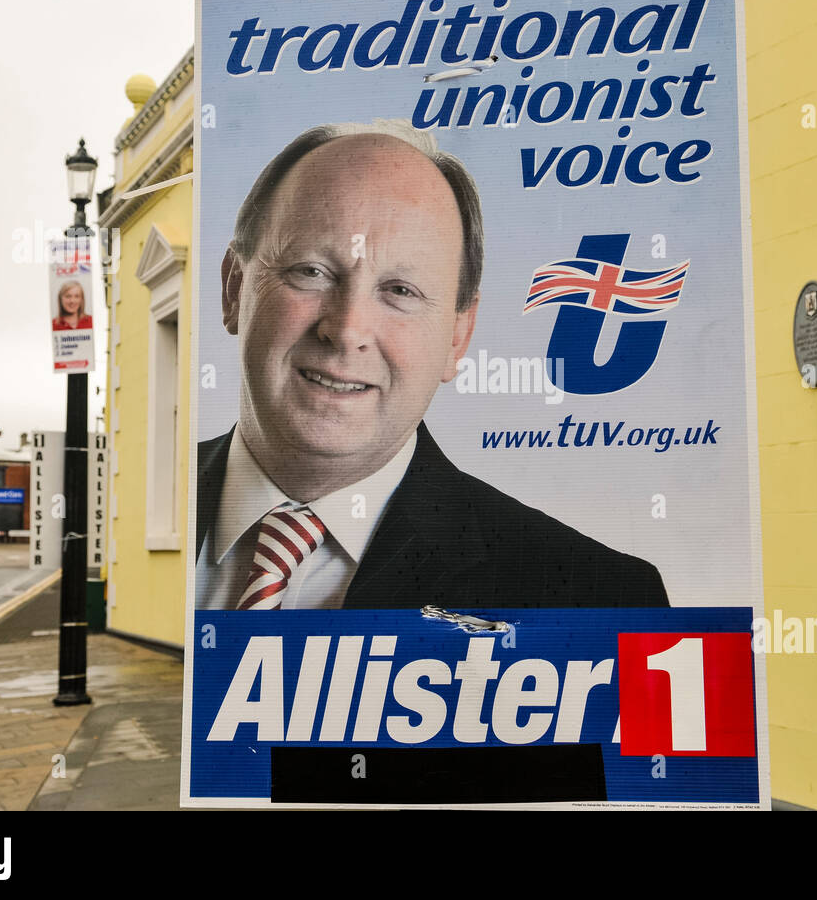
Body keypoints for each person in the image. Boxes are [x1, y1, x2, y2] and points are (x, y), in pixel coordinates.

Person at [195, 119, 668, 611]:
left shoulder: (599, 598)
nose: (348, 330)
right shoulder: (148, 512)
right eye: (311, 272)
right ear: (234, 288)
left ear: (458, 335)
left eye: (401, 290)